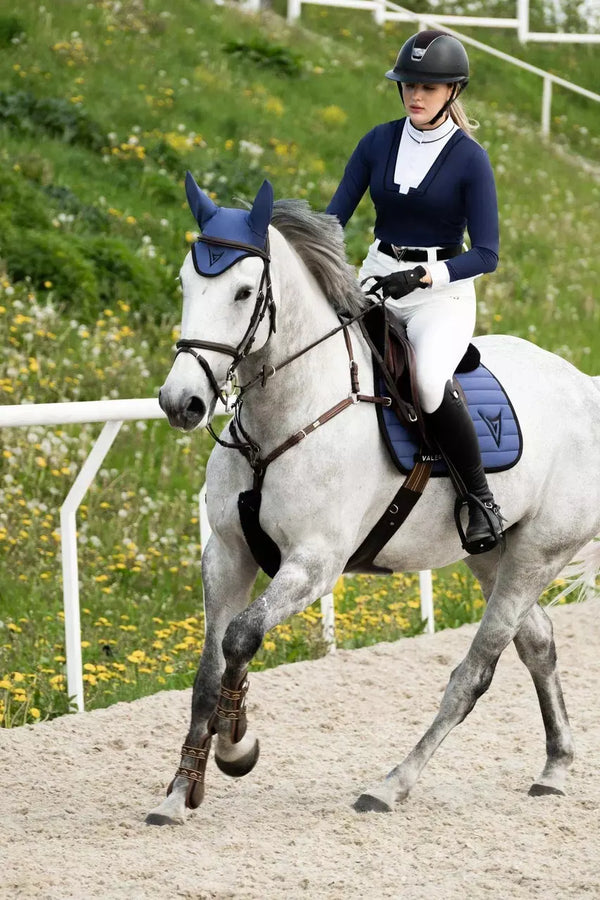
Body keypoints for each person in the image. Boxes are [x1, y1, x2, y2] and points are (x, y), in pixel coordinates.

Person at [326, 29, 503, 554]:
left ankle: (479, 497)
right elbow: (334, 219)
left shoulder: (471, 159)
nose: (415, 95)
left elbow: (487, 253)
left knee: (426, 381)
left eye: (428, 86)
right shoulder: (377, 141)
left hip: (439, 293)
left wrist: (428, 276)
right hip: (378, 275)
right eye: (408, 85)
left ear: (453, 91)